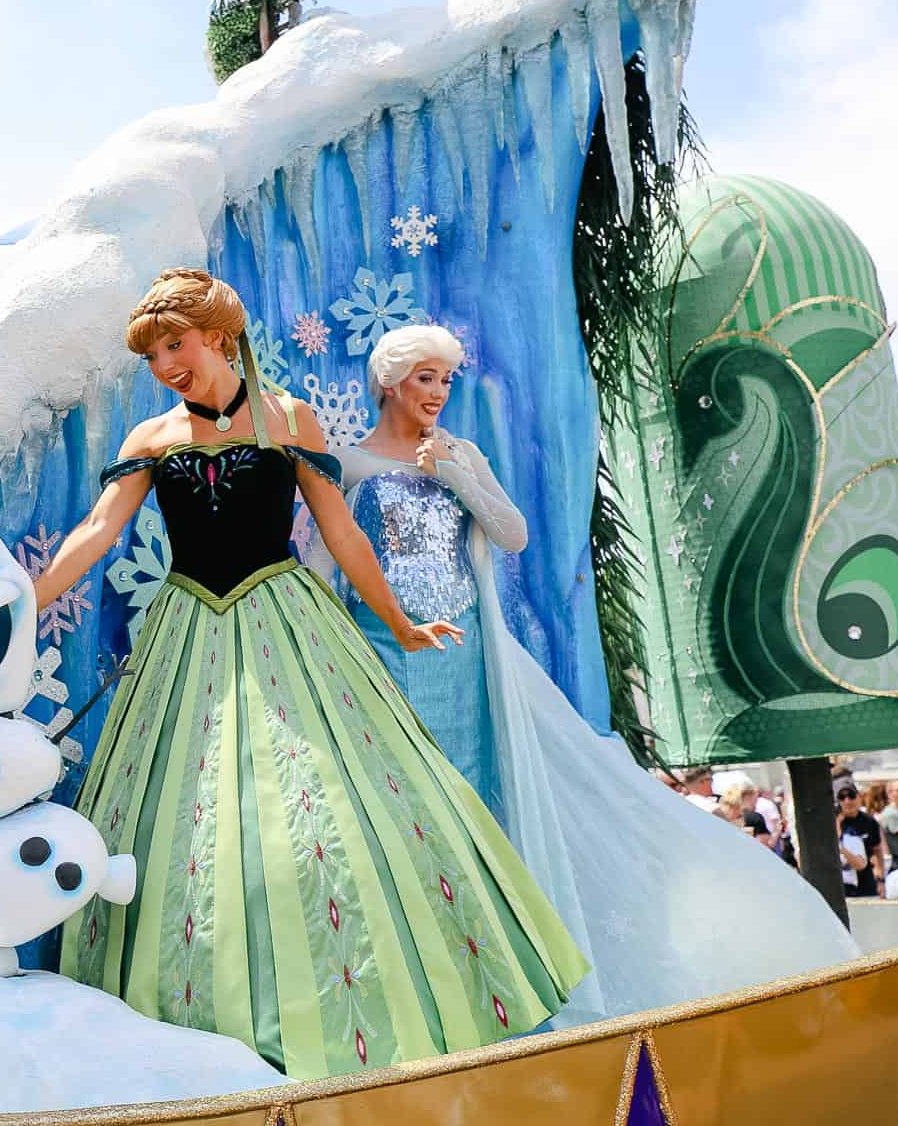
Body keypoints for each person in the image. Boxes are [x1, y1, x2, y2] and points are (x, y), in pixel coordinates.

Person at [43, 270, 587, 1079]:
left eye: (175, 345)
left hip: (287, 625)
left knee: (326, 809)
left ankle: (368, 1009)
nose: (164, 364)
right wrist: (26, 602)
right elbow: (95, 531)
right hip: (188, 628)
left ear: (218, 338)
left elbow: (342, 534)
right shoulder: (150, 440)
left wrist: (399, 622)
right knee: (188, 819)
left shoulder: (290, 418)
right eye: (154, 354)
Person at [320, 321, 857, 1026]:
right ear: (391, 383)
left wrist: (450, 472)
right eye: (426, 379)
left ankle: (491, 973)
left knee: (477, 800)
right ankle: (417, 975)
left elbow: (512, 533)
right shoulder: (348, 463)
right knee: (402, 805)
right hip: (386, 653)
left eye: (447, 379)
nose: (439, 393)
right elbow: (340, 562)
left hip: (465, 662)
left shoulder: (459, 451)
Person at [835, 784, 883, 897]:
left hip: (865, 877)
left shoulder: (869, 821)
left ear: (859, 797)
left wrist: (881, 879)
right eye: (842, 797)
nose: (847, 801)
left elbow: (877, 849)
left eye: (851, 796)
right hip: (843, 880)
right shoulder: (836, 822)